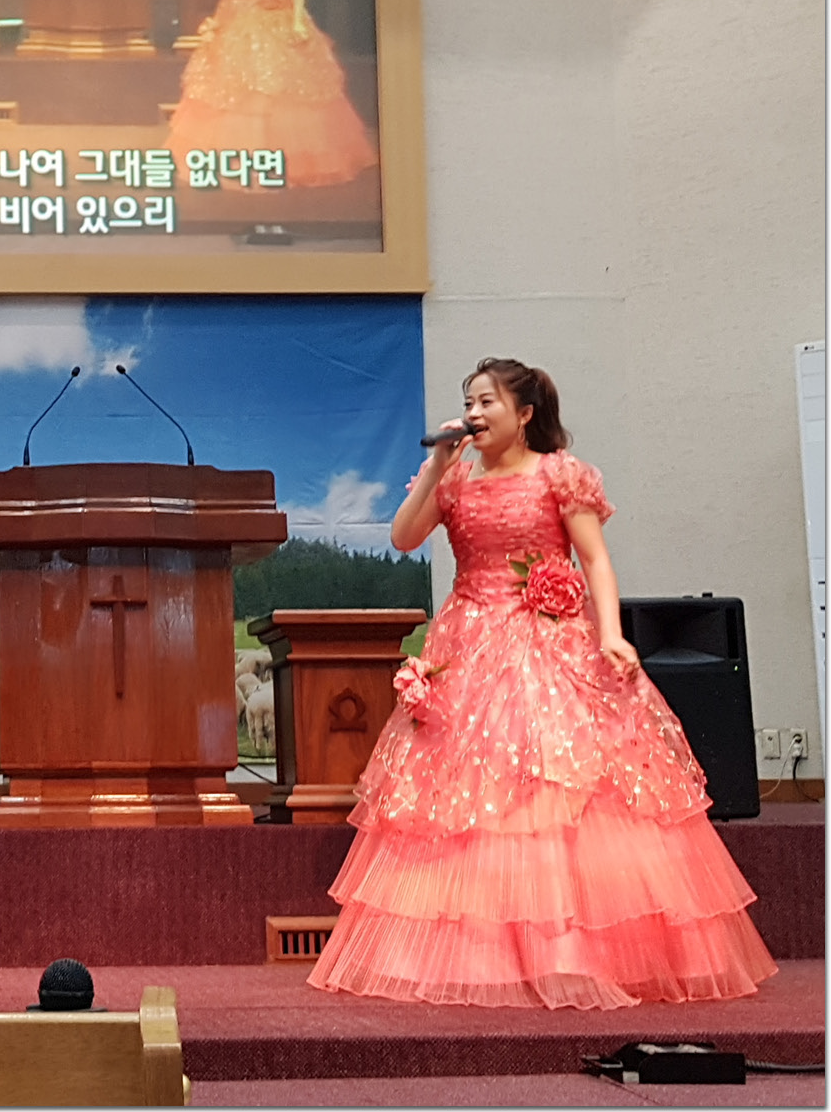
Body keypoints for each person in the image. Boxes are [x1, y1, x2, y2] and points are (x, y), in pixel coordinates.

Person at [309, 358, 777, 1008]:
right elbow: (404, 535)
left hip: (550, 643)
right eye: (469, 402)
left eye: (487, 402)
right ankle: (483, 954)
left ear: (524, 413)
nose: (474, 413)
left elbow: (595, 559)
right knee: (469, 795)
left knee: (562, 787)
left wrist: (611, 632)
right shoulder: (455, 476)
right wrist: (437, 467)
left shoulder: (560, 474)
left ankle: (573, 950)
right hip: (469, 643)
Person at [164, 0, 376, 190]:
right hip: (237, 11)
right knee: (233, 83)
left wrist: (298, 20)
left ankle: (283, 158)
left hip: (276, 10)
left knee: (282, 83)